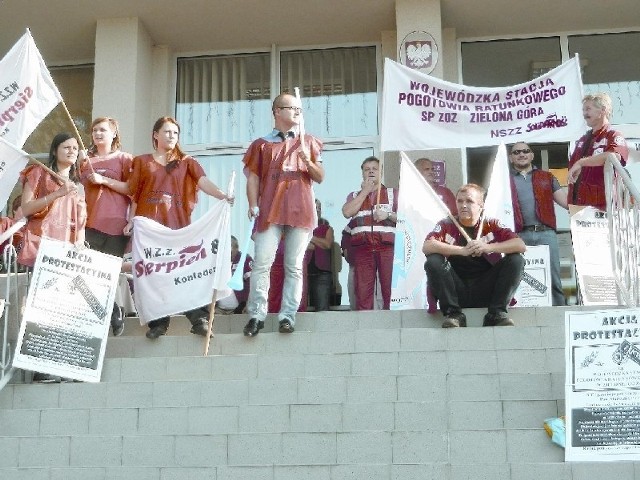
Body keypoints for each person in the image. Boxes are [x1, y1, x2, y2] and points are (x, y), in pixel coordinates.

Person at [126, 116, 233, 339]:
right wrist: (131, 220)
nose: (171, 136)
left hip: (177, 229)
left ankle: (199, 319)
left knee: (183, 273)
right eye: (167, 132)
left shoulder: (187, 162)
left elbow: (203, 182)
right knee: (153, 276)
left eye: (175, 133)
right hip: (149, 230)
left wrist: (221, 195)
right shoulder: (141, 161)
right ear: (155, 135)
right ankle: (158, 323)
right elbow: (135, 193)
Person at [242, 93, 324, 337]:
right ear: (277, 111)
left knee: (294, 266)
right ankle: (256, 314)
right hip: (270, 210)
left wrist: (308, 162)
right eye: (292, 108)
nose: (298, 112)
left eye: (300, 109)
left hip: (301, 211)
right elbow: (253, 177)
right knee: (261, 265)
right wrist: (251, 203)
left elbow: (320, 176)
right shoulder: (261, 144)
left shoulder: (308, 142)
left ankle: (288, 316)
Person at [423, 183, 526, 328]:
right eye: (460, 201)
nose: (463, 205)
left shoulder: (491, 224)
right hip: (456, 291)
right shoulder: (447, 223)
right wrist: (462, 250)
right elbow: (427, 246)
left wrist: (487, 247)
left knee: (516, 260)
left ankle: (496, 314)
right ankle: (454, 314)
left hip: (486, 290)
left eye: (469, 201)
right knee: (433, 260)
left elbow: (520, 245)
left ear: (481, 205)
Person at [79, 117, 133, 336]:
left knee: (108, 273)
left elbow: (133, 189)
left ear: (114, 134)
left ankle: (110, 313)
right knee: (89, 274)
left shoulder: (124, 159)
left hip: (116, 225)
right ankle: (112, 312)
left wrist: (104, 181)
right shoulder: (84, 160)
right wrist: (78, 162)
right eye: (94, 130)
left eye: (103, 130)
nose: (98, 133)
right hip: (88, 224)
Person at [509, 142, 568, 306]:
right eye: (517, 152)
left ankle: (559, 311)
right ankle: (521, 313)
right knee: (519, 276)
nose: (521, 154)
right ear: (511, 157)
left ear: (532, 155)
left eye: (525, 151)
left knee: (553, 276)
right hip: (518, 235)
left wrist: (591, 207)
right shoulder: (505, 181)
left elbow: (566, 202)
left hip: (546, 233)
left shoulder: (547, 177)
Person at [18, 133, 87, 269]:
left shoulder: (78, 186)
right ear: (55, 151)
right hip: (39, 245)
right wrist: (58, 194)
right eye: (66, 147)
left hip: (66, 250)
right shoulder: (38, 172)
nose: (71, 151)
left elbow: (81, 221)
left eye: (75, 148)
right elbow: (25, 208)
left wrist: (80, 242)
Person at [342, 156, 397, 310]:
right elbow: (347, 212)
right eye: (367, 169)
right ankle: (365, 328)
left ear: (381, 172)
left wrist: (389, 215)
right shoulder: (354, 195)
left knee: (390, 290)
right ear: (362, 174)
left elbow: (408, 220)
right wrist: (365, 191)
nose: (371, 171)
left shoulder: (393, 193)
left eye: (375, 169)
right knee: (362, 291)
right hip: (363, 248)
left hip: (387, 248)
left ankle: (390, 327)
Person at [567, 93, 629, 211]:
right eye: (583, 110)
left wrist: (582, 162)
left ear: (602, 110)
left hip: (604, 209)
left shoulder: (613, 135)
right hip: (579, 208)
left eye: (588, 109)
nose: (584, 114)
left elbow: (615, 156)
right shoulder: (583, 140)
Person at [307, 199, 334, 311]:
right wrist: (318, 243)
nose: (317, 210)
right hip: (303, 272)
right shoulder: (299, 229)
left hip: (322, 274)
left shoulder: (327, 229)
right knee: (299, 306)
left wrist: (310, 237)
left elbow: (327, 244)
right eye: (314, 207)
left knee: (322, 309)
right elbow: (303, 246)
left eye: (319, 208)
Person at [216, 235, 252, 314]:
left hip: (239, 309)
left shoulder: (245, 259)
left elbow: (252, 282)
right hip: (218, 309)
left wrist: (248, 303)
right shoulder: (217, 262)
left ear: (237, 248)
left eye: (230, 247)